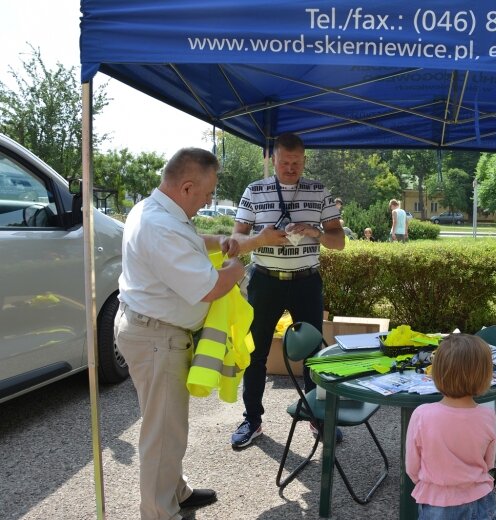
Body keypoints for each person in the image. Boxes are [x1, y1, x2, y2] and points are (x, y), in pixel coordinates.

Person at [116, 148, 246, 520]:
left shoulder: (156, 209)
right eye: (206, 195)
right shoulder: (160, 226)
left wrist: (217, 240)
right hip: (159, 338)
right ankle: (160, 512)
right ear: (187, 187)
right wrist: (236, 268)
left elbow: (186, 238)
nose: (207, 202)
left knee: (165, 425)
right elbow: (211, 288)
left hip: (152, 331)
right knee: (162, 436)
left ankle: (176, 491)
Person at [230, 133, 345, 449]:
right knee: (256, 351)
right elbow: (234, 242)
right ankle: (252, 419)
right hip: (265, 280)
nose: (290, 168)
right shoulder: (255, 191)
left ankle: (316, 417)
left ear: (304, 160)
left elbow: (339, 241)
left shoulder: (319, 191)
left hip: (307, 281)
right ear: (272, 160)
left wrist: (315, 232)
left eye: (296, 163)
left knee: (313, 354)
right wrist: (260, 240)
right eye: (284, 163)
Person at [405, 334, 496, 520]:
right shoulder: (488, 416)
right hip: (481, 499)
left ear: (436, 372)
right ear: (485, 376)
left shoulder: (422, 414)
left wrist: (428, 485)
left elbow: (412, 466)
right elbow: (488, 463)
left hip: (437, 503)